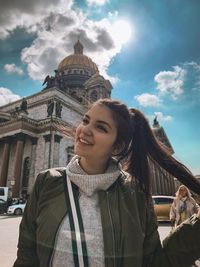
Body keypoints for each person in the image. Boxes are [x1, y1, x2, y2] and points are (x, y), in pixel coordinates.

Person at [13, 98, 200, 267]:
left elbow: (154, 262)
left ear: (117, 146)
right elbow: (27, 257)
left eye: (101, 127)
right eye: (85, 120)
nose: (84, 129)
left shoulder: (136, 194)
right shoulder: (46, 182)